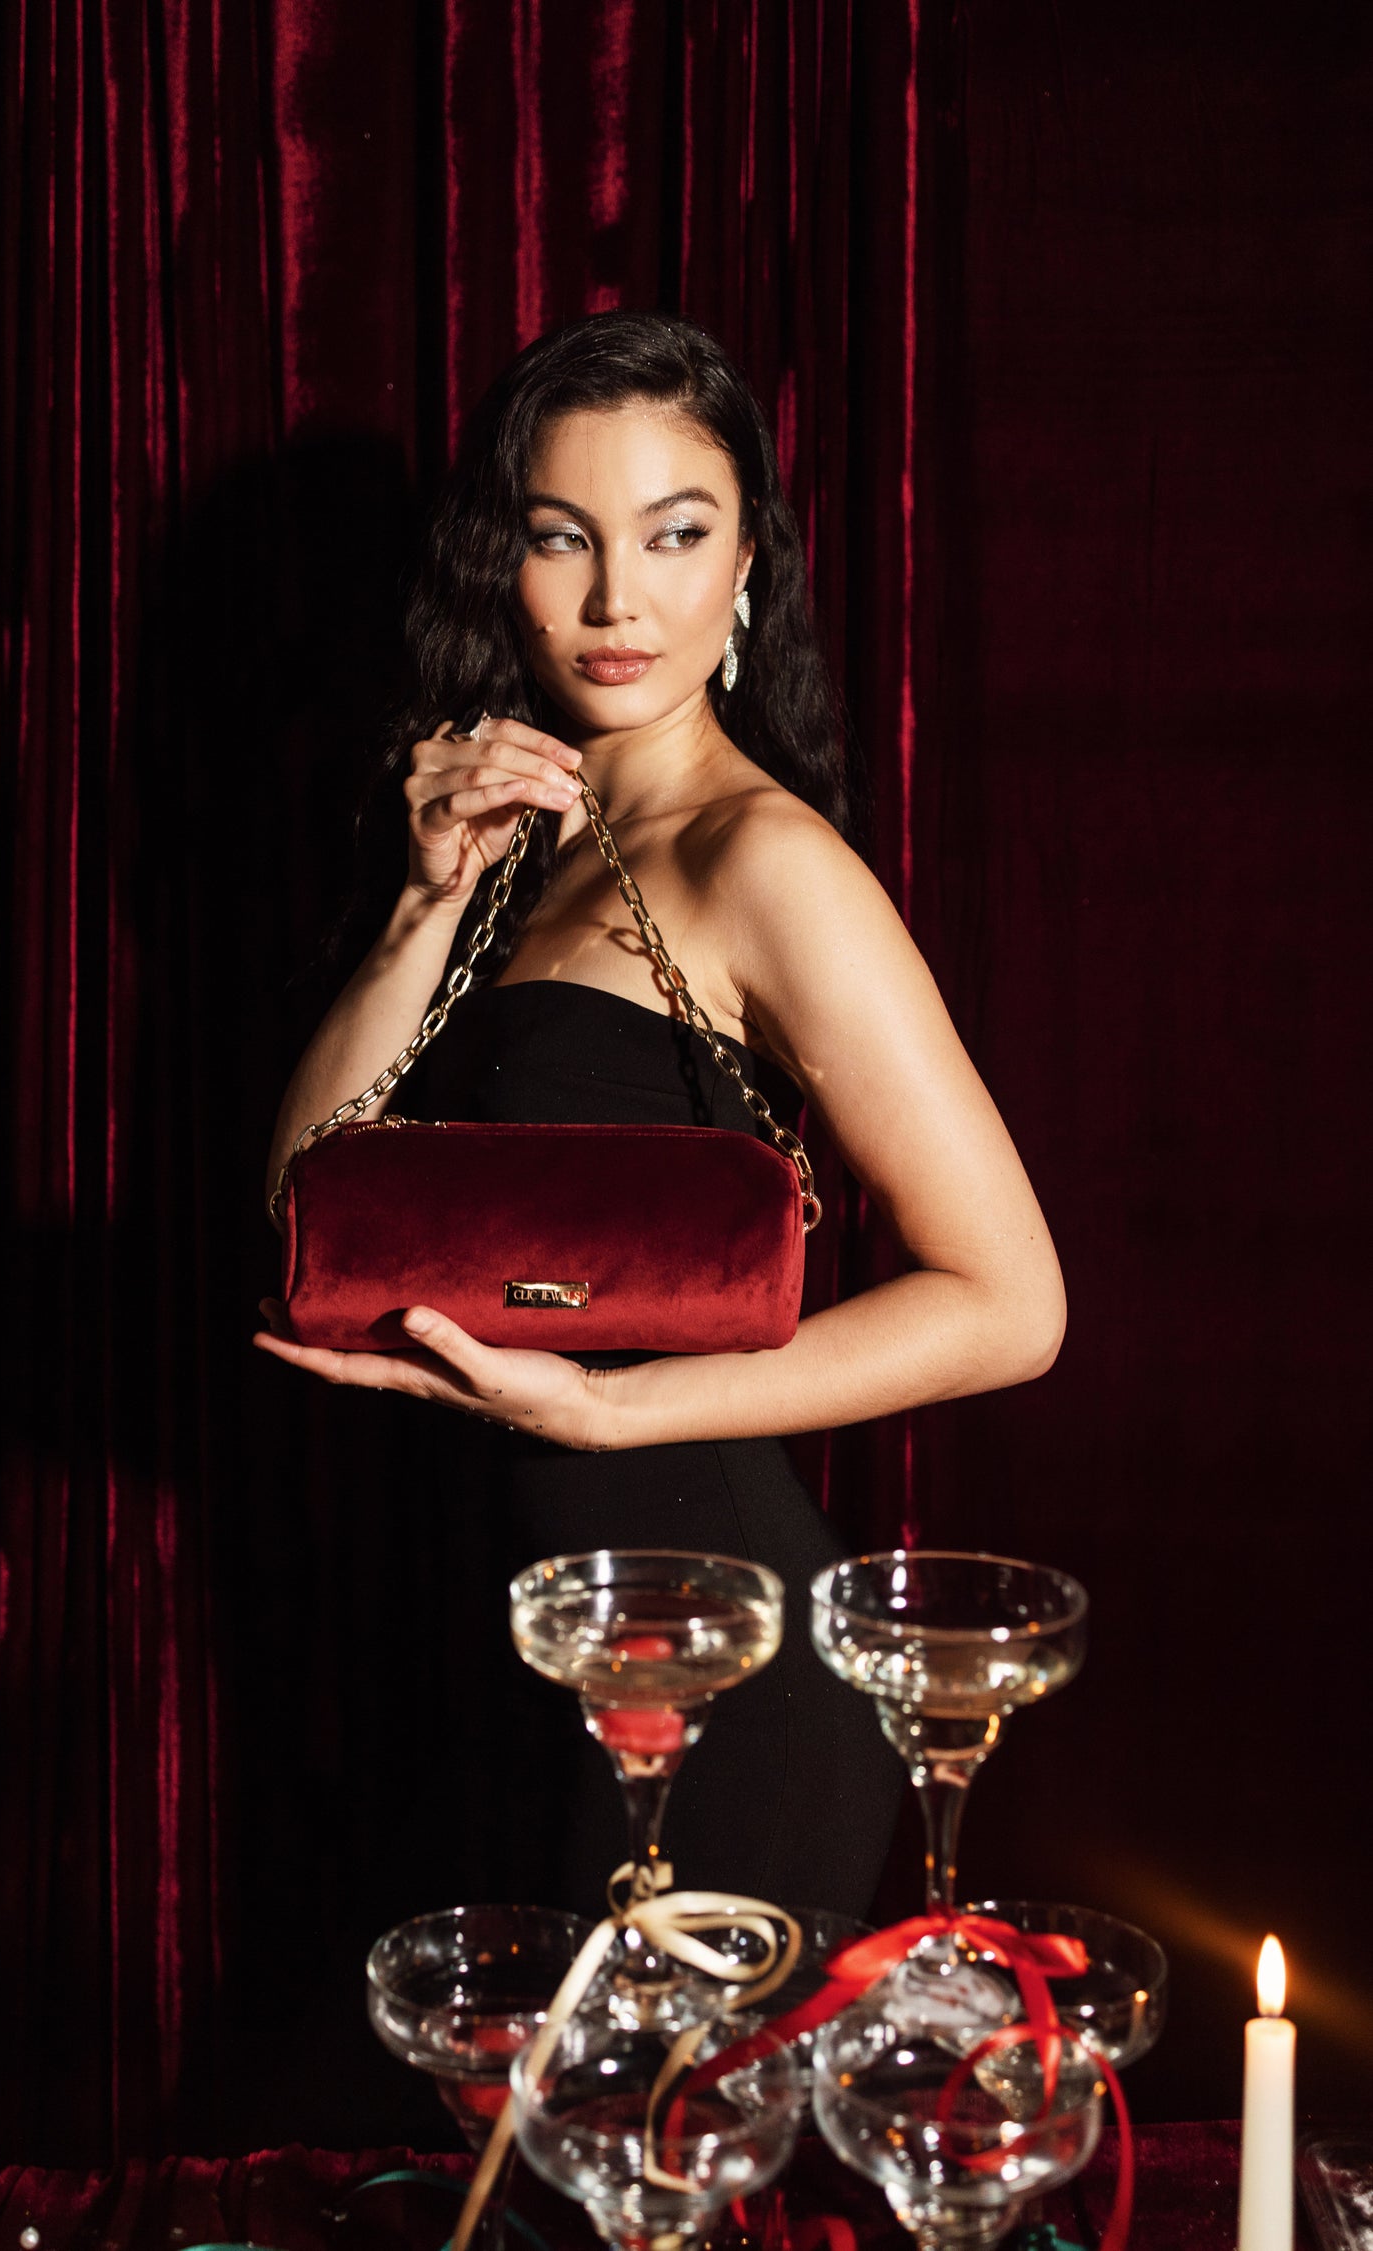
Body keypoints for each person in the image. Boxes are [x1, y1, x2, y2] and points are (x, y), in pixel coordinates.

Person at [255, 310, 1065, 1930]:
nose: (618, 601)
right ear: (502, 562)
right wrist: (423, 907)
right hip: (518, 1647)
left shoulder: (765, 861)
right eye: (565, 536)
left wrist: (602, 1410)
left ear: (747, 562)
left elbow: (1011, 1305)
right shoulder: (512, 844)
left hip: (720, 1665)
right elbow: (307, 1217)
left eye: (676, 535)